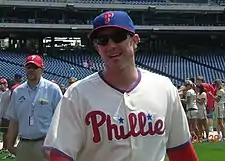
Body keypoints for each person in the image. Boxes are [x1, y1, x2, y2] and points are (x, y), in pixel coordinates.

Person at [43, 11, 198, 161]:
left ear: (135, 41)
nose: (111, 45)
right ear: (97, 48)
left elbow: (180, 149)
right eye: (102, 40)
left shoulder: (164, 88)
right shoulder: (77, 94)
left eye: (118, 37)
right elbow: (60, 154)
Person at [6, 55, 63, 161]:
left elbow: (61, 119)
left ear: (42, 69)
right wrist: (10, 144)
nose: (31, 70)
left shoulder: (53, 89)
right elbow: (14, 121)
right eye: (29, 67)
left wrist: (57, 145)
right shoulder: (18, 91)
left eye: (35, 67)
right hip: (24, 144)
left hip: (45, 143)